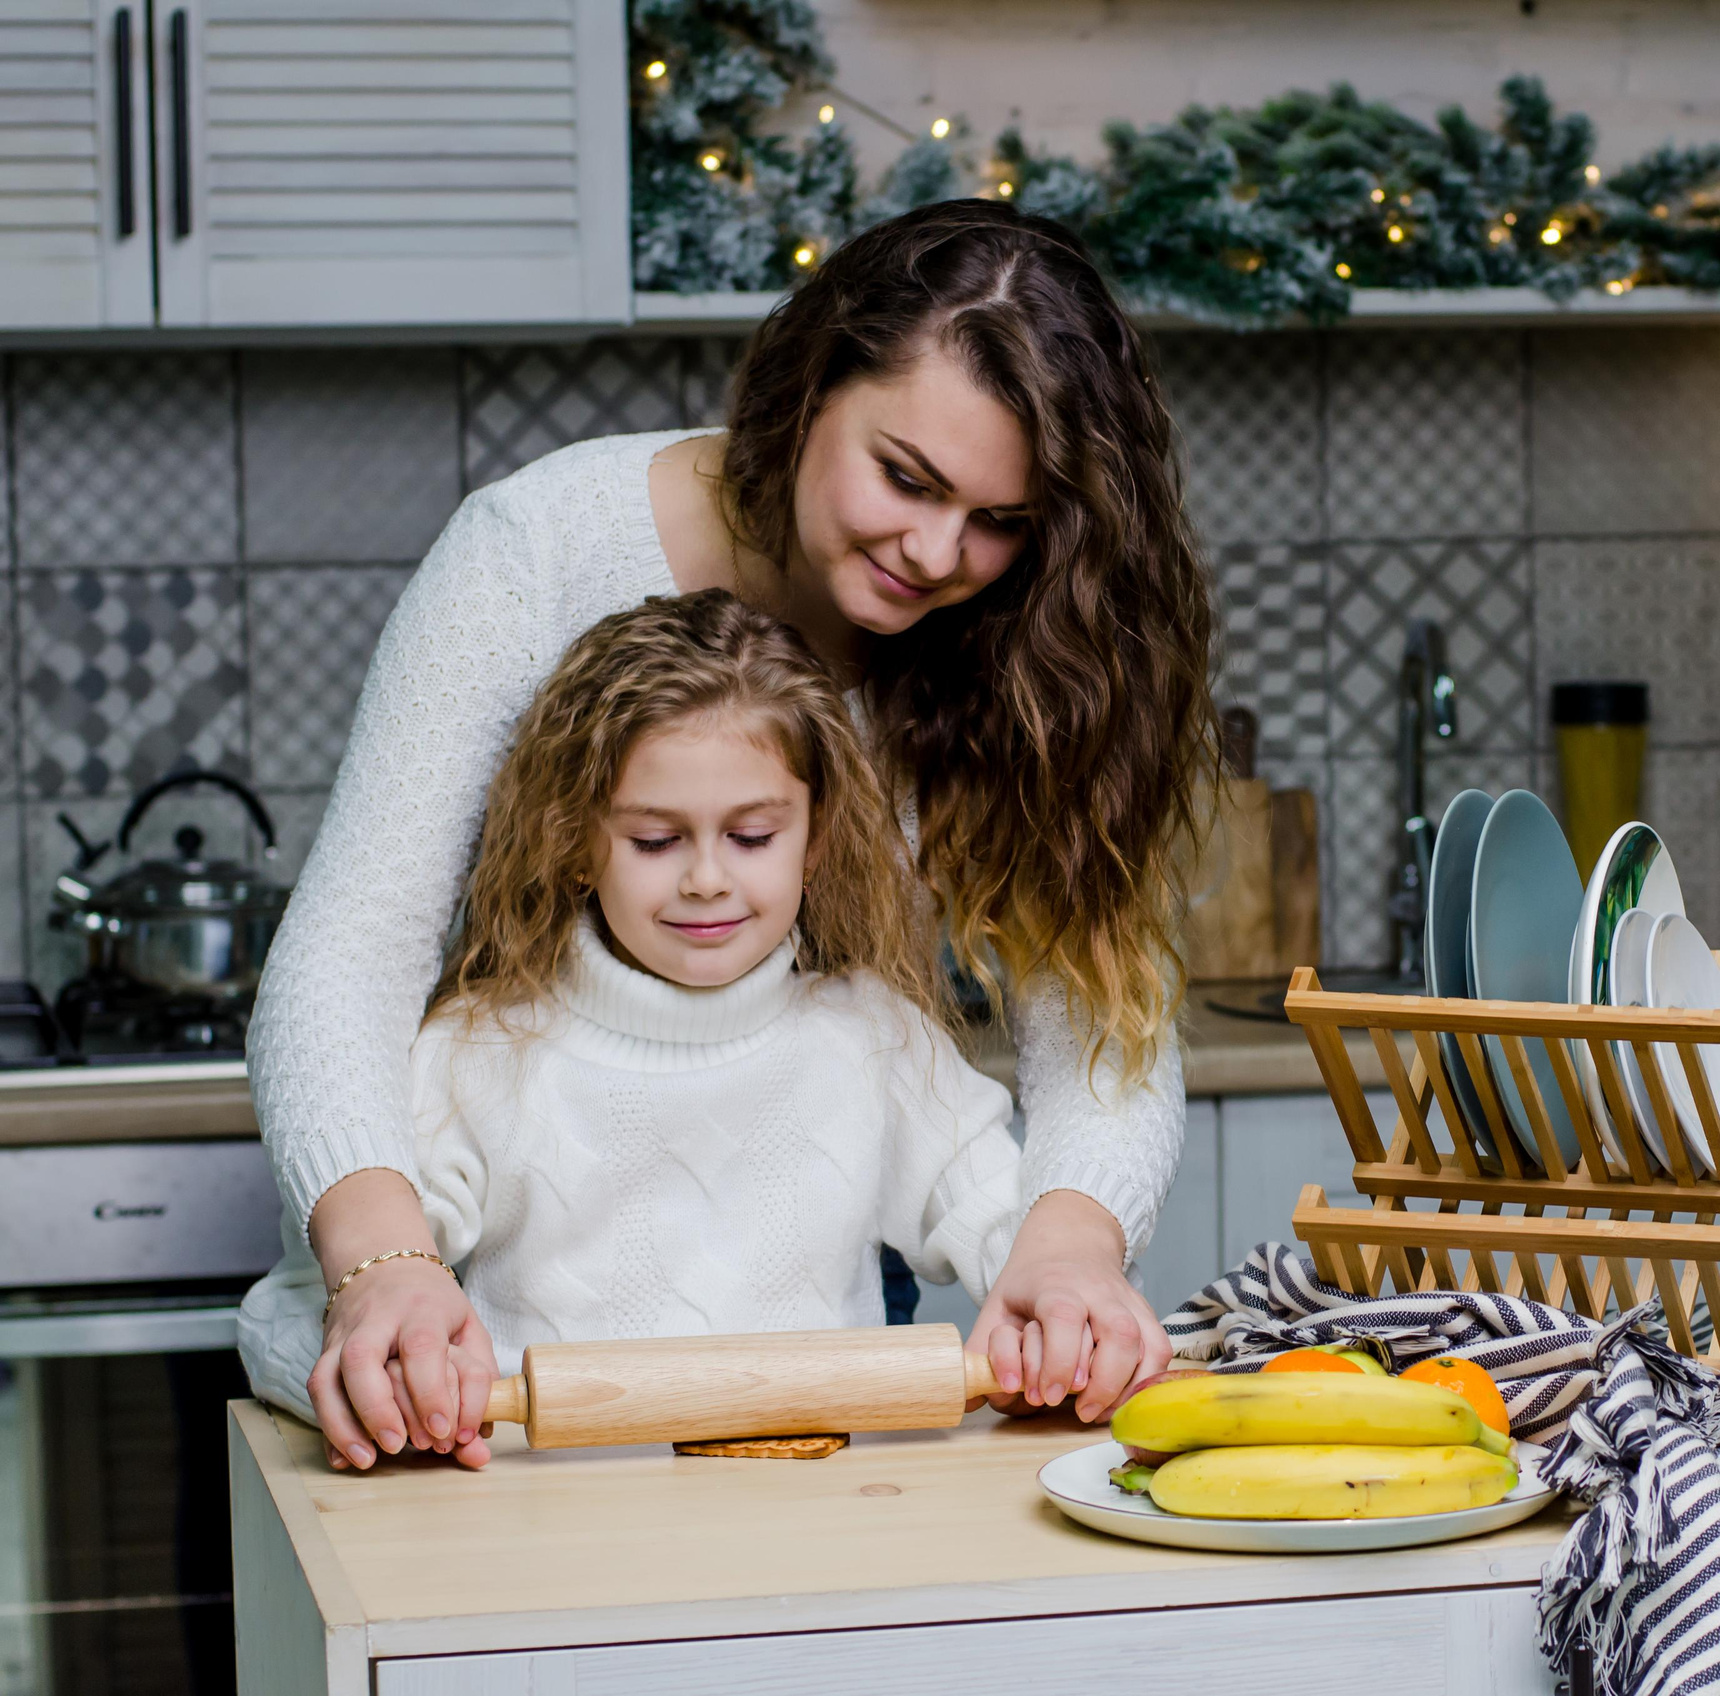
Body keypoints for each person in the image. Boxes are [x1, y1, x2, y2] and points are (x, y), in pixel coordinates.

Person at [249, 201, 1217, 1467]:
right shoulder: (534, 557)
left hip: (808, 1358)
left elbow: (1102, 1017)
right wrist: (385, 1262)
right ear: (812, 381)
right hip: (465, 1347)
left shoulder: (1025, 639)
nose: (936, 552)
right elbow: (347, 955)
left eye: (1001, 521)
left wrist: (1067, 1248)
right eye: (906, 478)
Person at [239, 592, 1026, 1469]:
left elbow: (1020, 1238)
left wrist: (1069, 1305)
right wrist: (380, 1373)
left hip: (826, 1553)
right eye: (655, 840)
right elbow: (302, 1306)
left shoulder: (876, 1041)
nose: (706, 879)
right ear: (575, 840)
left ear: (817, 838)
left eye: (754, 835)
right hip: (553, 1557)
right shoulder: (478, 1058)